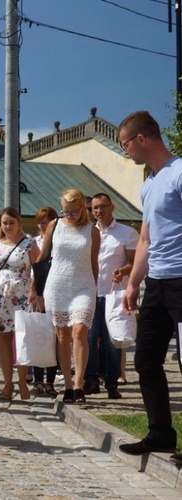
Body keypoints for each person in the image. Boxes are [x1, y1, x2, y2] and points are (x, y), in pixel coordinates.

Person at [116, 111, 182, 460]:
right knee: (145, 359)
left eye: (125, 143)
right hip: (156, 284)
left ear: (142, 139)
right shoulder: (149, 183)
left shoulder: (179, 172)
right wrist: (132, 284)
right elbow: (145, 238)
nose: (124, 150)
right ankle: (160, 434)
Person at [36, 189, 99, 404]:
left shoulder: (92, 231)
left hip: (84, 286)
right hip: (57, 285)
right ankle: (68, 386)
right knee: (62, 335)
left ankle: (79, 384)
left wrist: (95, 287)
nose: (69, 215)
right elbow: (43, 257)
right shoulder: (55, 226)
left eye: (73, 212)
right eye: (66, 211)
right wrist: (34, 288)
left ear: (82, 208)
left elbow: (93, 263)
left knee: (80, 331)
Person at [0, 207, 39, 400]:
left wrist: (33, 290)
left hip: (22, 293)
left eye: (12, 222)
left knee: (21, 339)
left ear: (19, 222)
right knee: (3, 338)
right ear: (0, 224)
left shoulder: (29, 243)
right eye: (5, 223)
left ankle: (22, 382)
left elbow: (38, 269)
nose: (8, 226)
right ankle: (7, 383)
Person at [84, 193, 138, 400]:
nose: (99, 211)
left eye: (102, 207)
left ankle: (112, 382)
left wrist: (124, 270)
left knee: (112, 340)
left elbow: (135, 262)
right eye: (95, 208)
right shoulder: (87, 232)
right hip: (90, 292)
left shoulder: (126, 233)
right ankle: (90, 380)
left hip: (114, 295)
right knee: (89, 338)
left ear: (112, 207)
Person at [30, 207, 60, 398]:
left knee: (54, 338)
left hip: (56, 291)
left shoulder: (59, 240)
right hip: (38, 291)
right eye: (40, 222)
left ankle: (50, 381)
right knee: (38, 334)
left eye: (46, 222)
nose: (42, 226)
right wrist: (33, 290)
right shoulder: (34, 242)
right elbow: (33, 268)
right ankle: (37, 380)